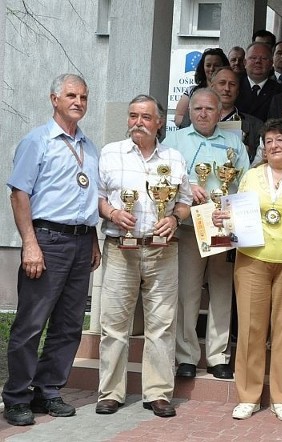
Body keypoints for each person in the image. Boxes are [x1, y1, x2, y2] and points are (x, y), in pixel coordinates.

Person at [2, 74, 101, 427]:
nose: (78, 101)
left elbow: (88, 197)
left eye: (84, 97)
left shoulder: (89, 146)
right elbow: (19, 194)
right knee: (31, 324)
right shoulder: (37, 141)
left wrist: (92, 240)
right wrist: (30, 243)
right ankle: (16, 396)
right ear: (54, 99)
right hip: (47, 241)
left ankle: (49, 390)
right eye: (71, 95)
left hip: (80, 241)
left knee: (69, 325)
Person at [215, 119, 282, 421]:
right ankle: (248, 396)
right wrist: (224, 217)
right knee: (251, 328)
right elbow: (236, 213)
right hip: (253, 258)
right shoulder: (250, 176)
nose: (274, 146)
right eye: (269, 140)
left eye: (279, 140)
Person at [95, 94, 192, 417]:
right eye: (133, 115)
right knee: (114, 324)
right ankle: (110, 392)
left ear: (159, 122)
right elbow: (95, 198)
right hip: (121, 249)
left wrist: (174, 218)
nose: (138, 122)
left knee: (162, 325)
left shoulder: (174, 158)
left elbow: (185, 200)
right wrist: (110, 212)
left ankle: (158, 392)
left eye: (145, 117)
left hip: (162, 250)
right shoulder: (110, 153)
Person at [163, 87, 250, 380]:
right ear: (189, 112)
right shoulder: (173, 140)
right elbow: (162, 176)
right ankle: (186, 356)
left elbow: (246, 183)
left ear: (219, 111)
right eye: (198, 108)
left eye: (209, 109)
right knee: (187, 292)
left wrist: (231, 214)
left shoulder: (234, 142)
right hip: (188, 227)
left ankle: (218, 357)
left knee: (222, 292)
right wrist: (187, 185)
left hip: (223, 226)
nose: (203, 114)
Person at [211, 66, 263, 163]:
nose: (227, 88)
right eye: (222, 83)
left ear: (238, 91)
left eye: (232, 84)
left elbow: (260, 162)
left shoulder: (255, 125)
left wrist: (246, 152)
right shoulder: (196, 118)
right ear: (212, 87)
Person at [174, 48, 229, 128]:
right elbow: (178, 117)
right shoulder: (191, 91)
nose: (212, 69)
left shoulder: (228, 91)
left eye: (216, 65)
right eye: (208, 65)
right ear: (202, 67)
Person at [236, 42, 282, 121]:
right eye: (253, 58)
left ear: (271, 64)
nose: (258, 61)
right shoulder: (234, 86)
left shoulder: (281, 92)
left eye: (263, 58)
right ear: (245, 63)